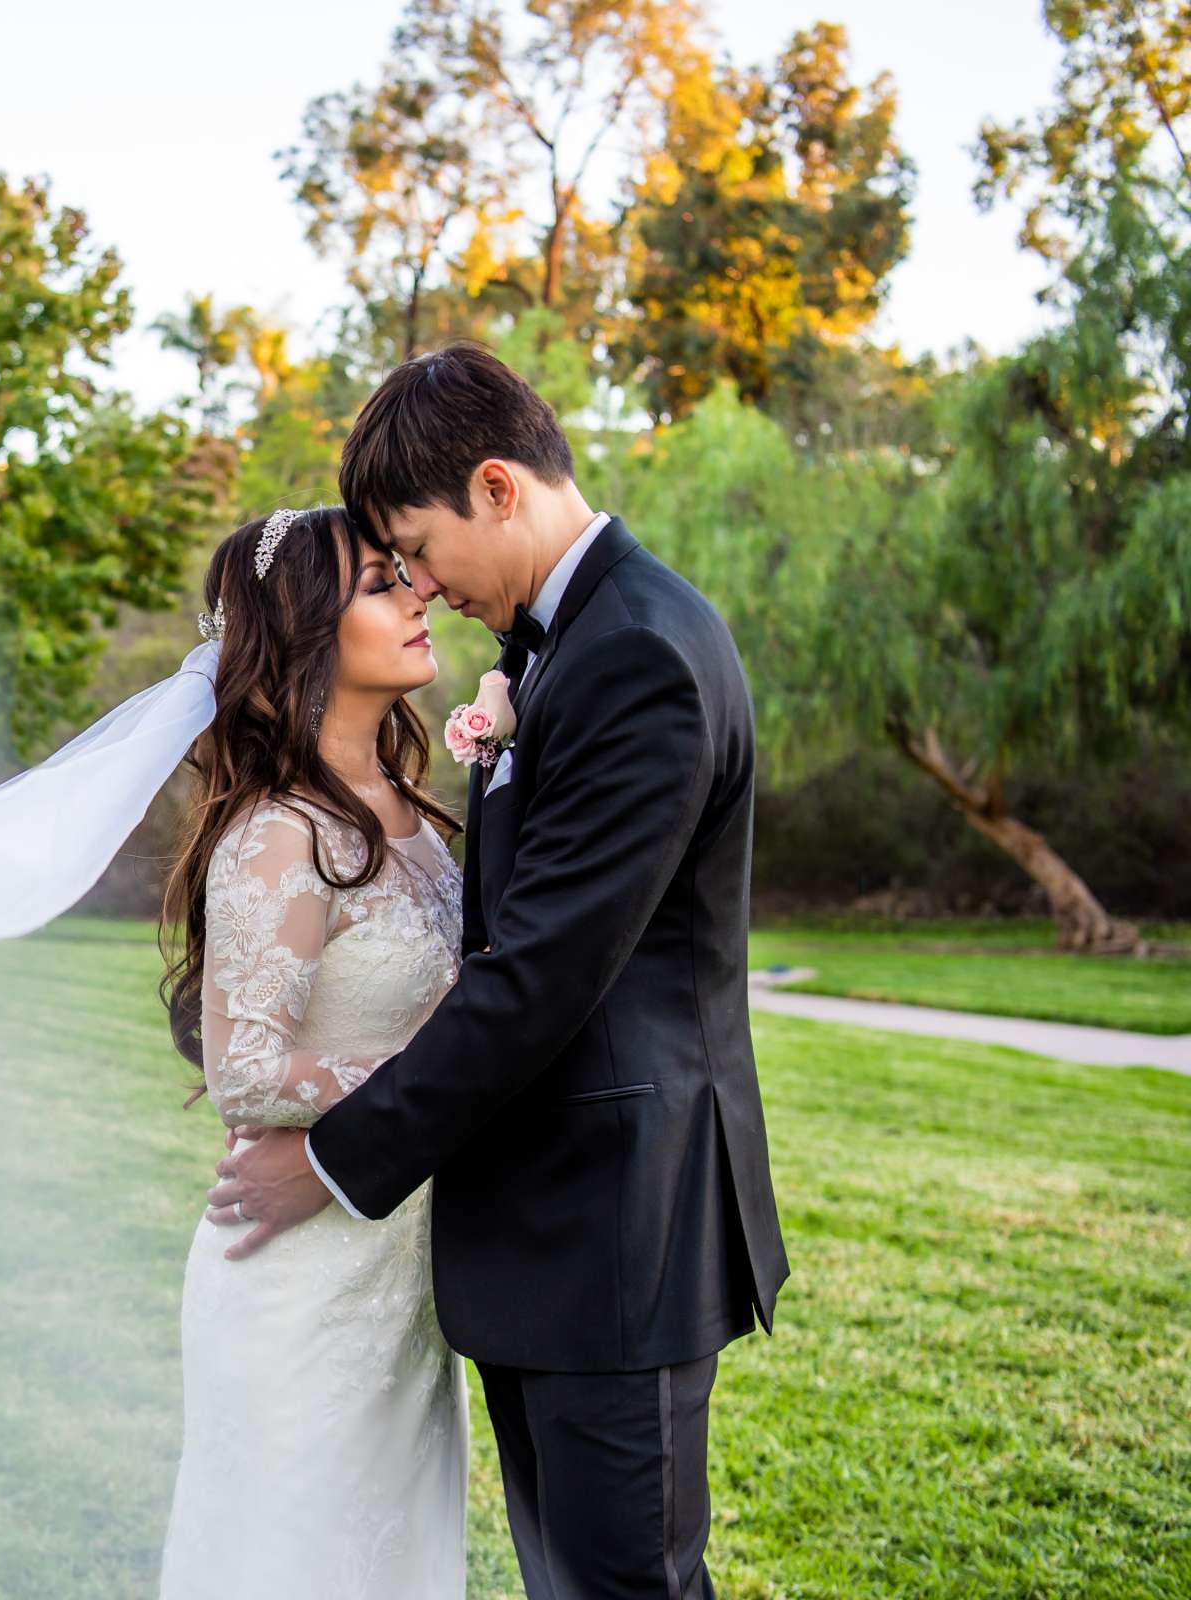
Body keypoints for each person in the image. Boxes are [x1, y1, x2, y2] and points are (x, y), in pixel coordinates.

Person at [205, 342, 791, 1599]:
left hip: (616, 1224)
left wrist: (332, 1157)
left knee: (621, 1585)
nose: (421, 582)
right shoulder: (561, 646)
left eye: (418, 544)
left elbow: (538, 977)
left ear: (495, 487)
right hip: (551, 1233)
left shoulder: (634, 652)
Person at [155, 504, 470, 1597]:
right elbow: (245, 1067)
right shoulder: (280, 833)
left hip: (403, 1276)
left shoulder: (418, 816)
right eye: (383, 583)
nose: (419, 592)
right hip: (303, 1279)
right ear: (307, 636)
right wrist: (443, 1086)